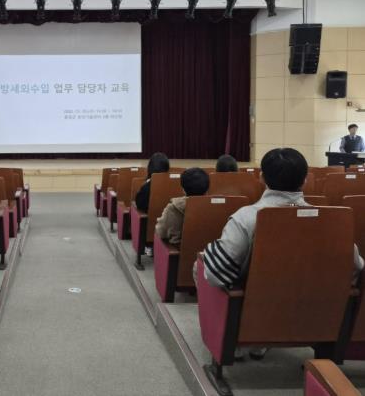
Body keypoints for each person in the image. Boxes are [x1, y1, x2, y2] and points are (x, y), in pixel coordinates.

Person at [200, 148, 364, 360]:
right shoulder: (335, 222)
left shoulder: (245, 218)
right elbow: (356, 268)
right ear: (305, 180)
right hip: (317, 317)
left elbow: (216, 275)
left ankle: (242, 342)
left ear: (262, 177)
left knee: (202, 265)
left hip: (256, 312)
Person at [155, 168, 209, 245]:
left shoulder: (173, 208)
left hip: (178, 248)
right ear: (207, 190)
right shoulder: (213, 207)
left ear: (183, 189)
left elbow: (160, 232)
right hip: (207, 248)